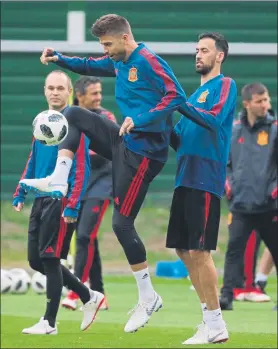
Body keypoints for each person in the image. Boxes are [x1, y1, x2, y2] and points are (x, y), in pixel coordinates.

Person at [19, 14, 186, 333]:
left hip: (145, 155)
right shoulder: (119, 61)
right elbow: (88, 65)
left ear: (124, 38)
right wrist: (59, 58)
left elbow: (175, 97)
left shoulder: (148, 60)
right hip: (126, 143)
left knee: (121, 224)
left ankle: (148, 297)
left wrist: (141, 119)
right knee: (72, 113)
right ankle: (59, 176)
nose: (105, 51)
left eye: (107, 44)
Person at [13, 70, 105, 335]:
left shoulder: (75, 124)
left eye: (59, 88)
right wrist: (21, 191)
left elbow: (81, 169)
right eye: (50, 88)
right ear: (45, 91)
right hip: (40, 199)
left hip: (60, 199)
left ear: (69, 93)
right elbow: (33, 160)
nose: (54, 92)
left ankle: (49, 323)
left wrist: (73, 203)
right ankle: (88, 295)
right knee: (35, 261)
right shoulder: (42, 121)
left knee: (50, 258)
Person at [168, 32, 237, 344]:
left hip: (205, 177)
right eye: (196, 50)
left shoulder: (224, 85)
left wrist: (177, 103)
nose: (198, 55)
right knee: (183, 249)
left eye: (205, 50)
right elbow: (178, 141)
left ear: (219, 56)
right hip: (183, 176)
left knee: (200, 249)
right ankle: (208, 319)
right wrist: (157, 122)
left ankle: (217, 323)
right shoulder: (192, 96)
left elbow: (212, 120)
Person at [220, 83, 278, 311]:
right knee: (234, 250)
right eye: (259, 101)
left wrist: (274, 191)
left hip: (269, 205)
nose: (265, 105)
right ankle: (226, 296)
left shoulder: (274, 129)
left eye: (266, 100)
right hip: (240, 204)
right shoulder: (234, 130)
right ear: (247, 104)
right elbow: (226, 164)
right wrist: (229, 188)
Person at [62, 76, 116, 311]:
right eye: (94, 93)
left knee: (84, 237)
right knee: (87, 238)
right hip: (77, 187)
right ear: (79, 95)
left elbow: (106, 152)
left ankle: (77, 291)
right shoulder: (67, 117)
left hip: (102, 186)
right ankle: (100, 293)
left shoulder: (106, 118)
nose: (99, 98)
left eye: (100, 93)